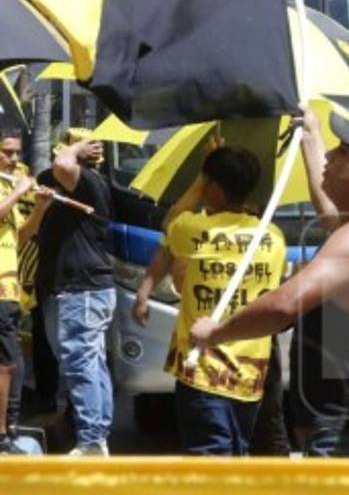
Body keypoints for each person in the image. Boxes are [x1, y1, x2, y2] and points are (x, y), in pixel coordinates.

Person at [190, 109, 349, 457]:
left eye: (342, 152)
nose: (330, 155)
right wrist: (310, 137)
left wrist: (216, 334)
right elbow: (329, 211)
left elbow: (284, 305)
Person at [132, 146, 286, 456]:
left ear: (213, 187)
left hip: (201, 368)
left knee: (209, 456)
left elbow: (171, 223)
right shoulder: (273, 236)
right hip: (251, 375)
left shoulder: (192, 229)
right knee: (237, 453)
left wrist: (201, 175)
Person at [23, 129, 114, 456]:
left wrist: (74, 149)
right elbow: (28, 235)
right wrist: (41, 206)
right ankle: (96, 435)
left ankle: (91, 440)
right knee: (88, 363)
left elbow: (63, 164)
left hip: (82, 289)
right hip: (67, 289)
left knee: (81, 363)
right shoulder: (62, 188)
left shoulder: (89, 182)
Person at [0, 137, 34, 455]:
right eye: (6, 152)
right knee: (6, 363)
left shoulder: (8, 187)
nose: (13, 158)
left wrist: (42, 205)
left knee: (11, 362)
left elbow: (21, 236)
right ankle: (3, 436)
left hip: (10, 290)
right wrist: (20, 191)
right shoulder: (7, 188)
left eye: (16, 153)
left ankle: (9, 428)